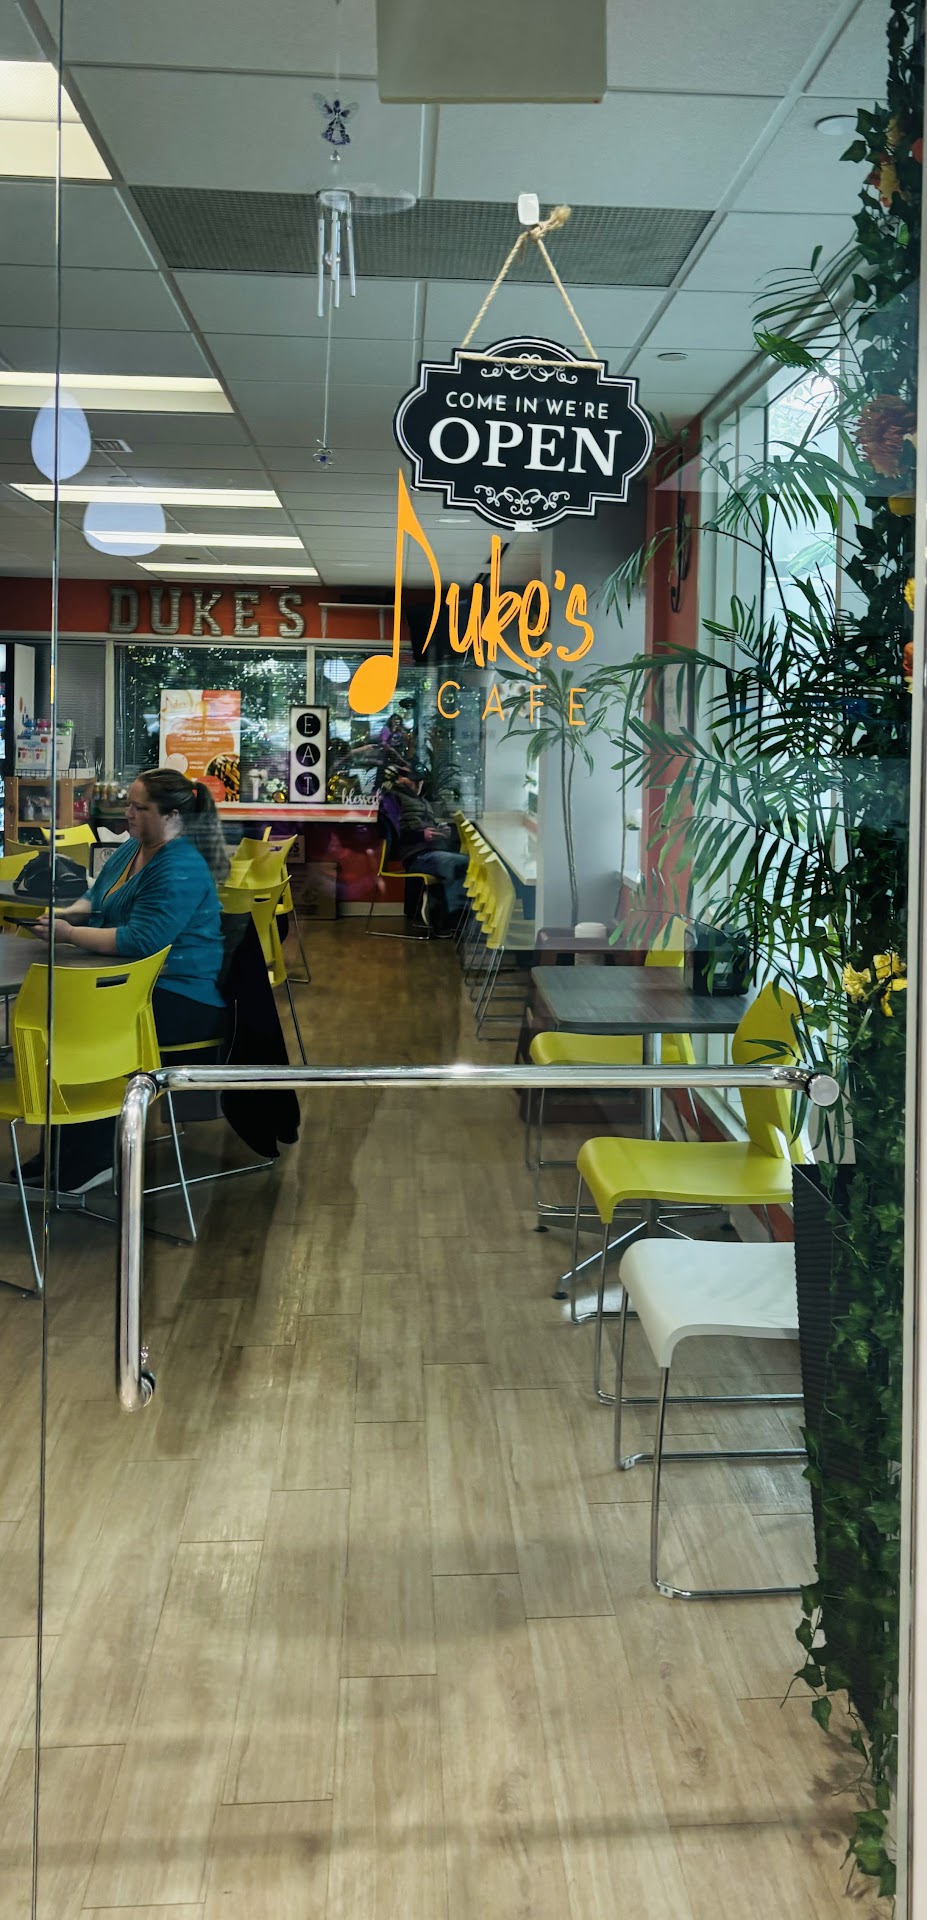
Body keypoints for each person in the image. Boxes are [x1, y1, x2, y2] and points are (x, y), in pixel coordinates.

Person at [24, 767, 230, 1192]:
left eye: (140, 808)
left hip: (183, 998)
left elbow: (142, 940)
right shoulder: (134, 849)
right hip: (142, 986)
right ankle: (65, 1151)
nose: (128, 814)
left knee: (85, 1030)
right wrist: (68, 914)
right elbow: (96, 896)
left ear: (172, 816)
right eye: (129, 805)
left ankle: (94, 1157)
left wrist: (68, 933)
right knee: (67, 1023)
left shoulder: (180, 866)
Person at [392, 765, 468, 923]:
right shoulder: (394, 799)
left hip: (432, 851)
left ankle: (444, 916)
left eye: (420, 781)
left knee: (465, 862)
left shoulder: (423, 801)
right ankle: (449, 919)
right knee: (460, 863)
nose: (418, 784)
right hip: (417, 855)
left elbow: (426, 826)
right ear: (401, 779)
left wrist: (441, 832)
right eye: (414, 780)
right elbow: (394, 833)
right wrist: (421, 835)